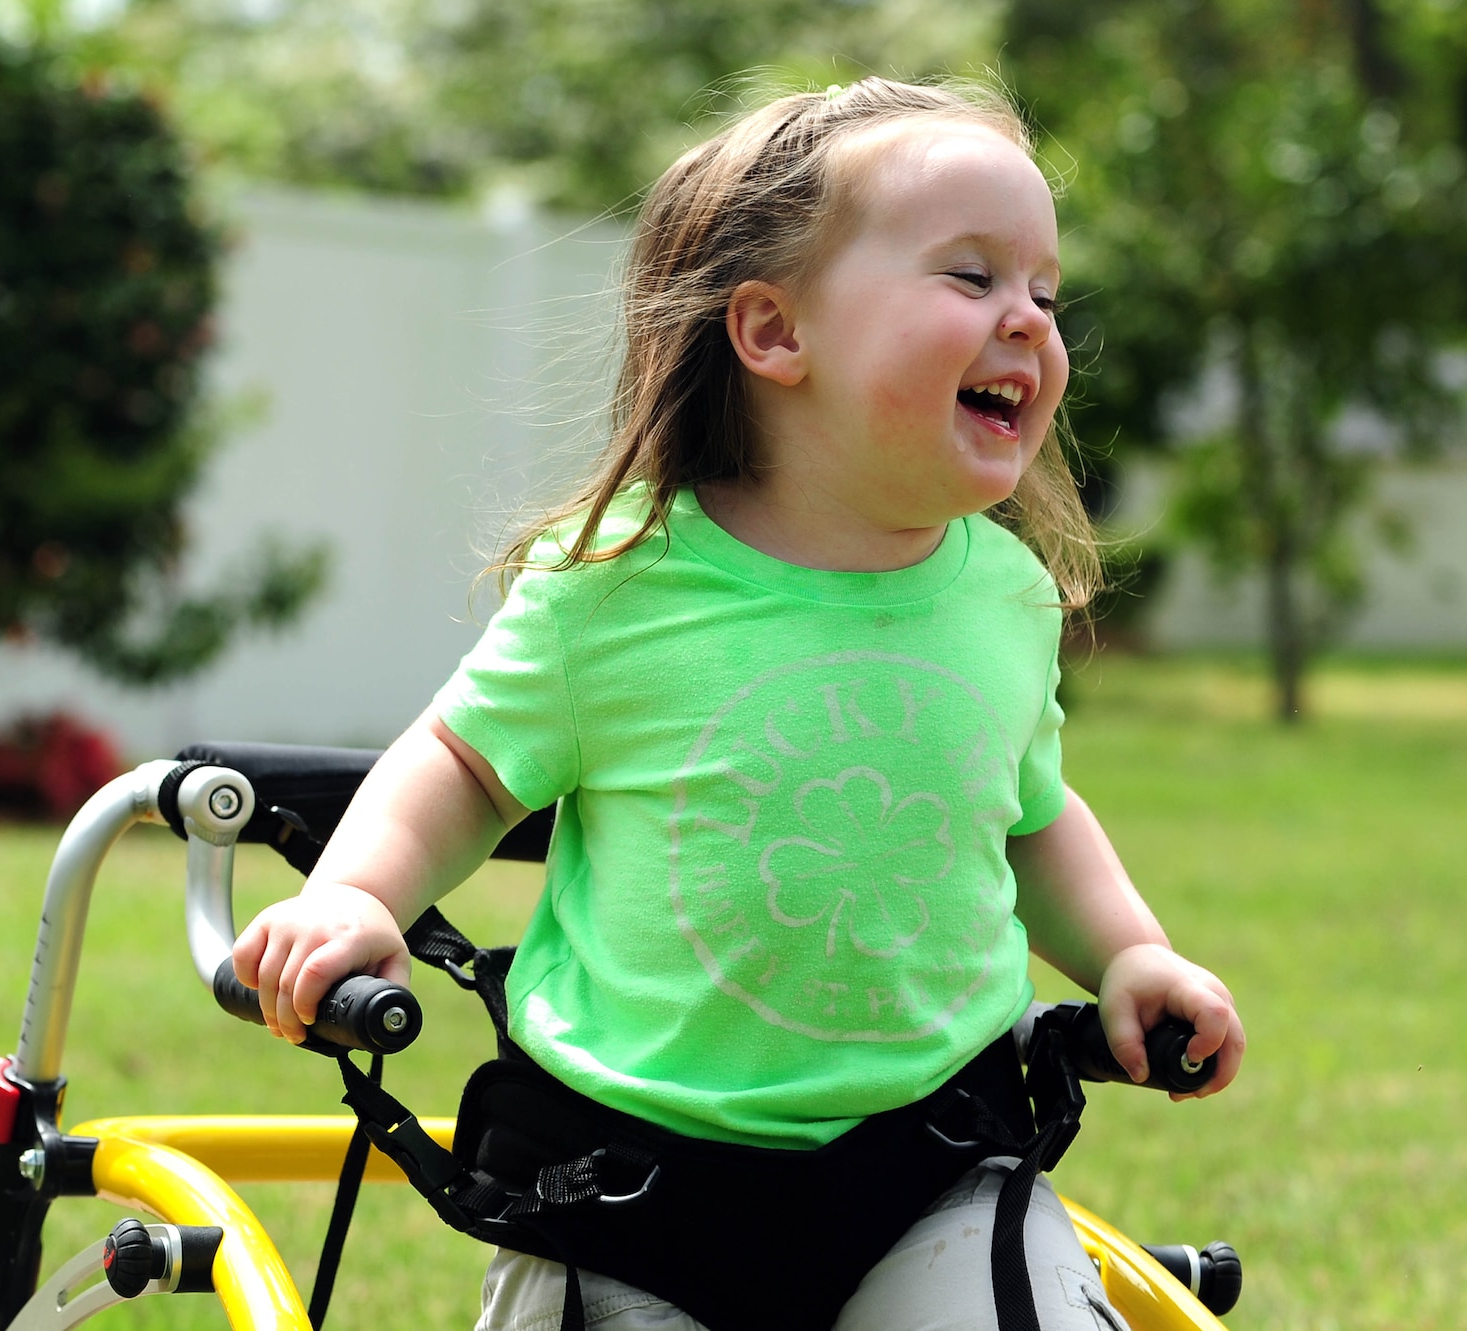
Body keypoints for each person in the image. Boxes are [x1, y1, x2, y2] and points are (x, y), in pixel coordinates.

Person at [233, 78, 1246, 1331]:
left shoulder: (1002, 595)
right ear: (772, 333)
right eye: (971, 277)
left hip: (929, 1151)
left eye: (1043, 291)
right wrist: (353, 895)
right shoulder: (617, 585)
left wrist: (1129, 950)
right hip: (628, 1182)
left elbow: (1027, 812)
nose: (1028, 324)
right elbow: (461, 764)